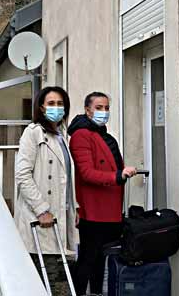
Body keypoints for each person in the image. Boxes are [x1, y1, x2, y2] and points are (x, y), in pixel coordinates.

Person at [69, 91, 137, 294]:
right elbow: (87, 173)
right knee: (88, 259)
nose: (104, 112)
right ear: (87, 110)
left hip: (109, 210)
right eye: (99, 108)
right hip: (94, 211)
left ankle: (97, 292)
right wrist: (118, 176)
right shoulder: (82, 135)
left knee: (99, 258)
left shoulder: (103, 134)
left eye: (107, 108)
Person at [14, 86, 79, 294]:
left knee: (51, 272)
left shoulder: (62, 136)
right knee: (41, 275)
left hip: (58, 213)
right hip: (40, 217)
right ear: (41, 107)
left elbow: (66, 179)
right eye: (51, 104)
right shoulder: (33, 133)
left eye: (60, 104)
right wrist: (41, 209)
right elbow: (23, 175)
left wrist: (74, 209)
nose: (56, 108)